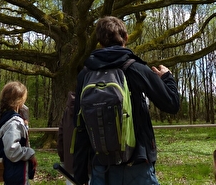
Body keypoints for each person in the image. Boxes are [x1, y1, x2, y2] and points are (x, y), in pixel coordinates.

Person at [73, 16, 180, 185]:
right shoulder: (136, 68)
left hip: (101, 166)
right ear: (126, 37)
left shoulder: (85, 74)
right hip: (137, 163)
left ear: (99, 41)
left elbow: (79, 125)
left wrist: (79, 175)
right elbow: (172, 104)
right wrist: (167, 78)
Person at [0, 81, 37, 185]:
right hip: (16, 174)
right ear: (20, 100)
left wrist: (25, 122)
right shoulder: (13, 122)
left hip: (13, 173)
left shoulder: (7, 118)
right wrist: (30, 153)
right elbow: (12, 151)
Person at [57, 91, 76, 185]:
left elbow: (61, 135)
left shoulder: (67, 111)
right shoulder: (97, 103)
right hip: (94, 165)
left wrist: (63, 159)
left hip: (71, 162)